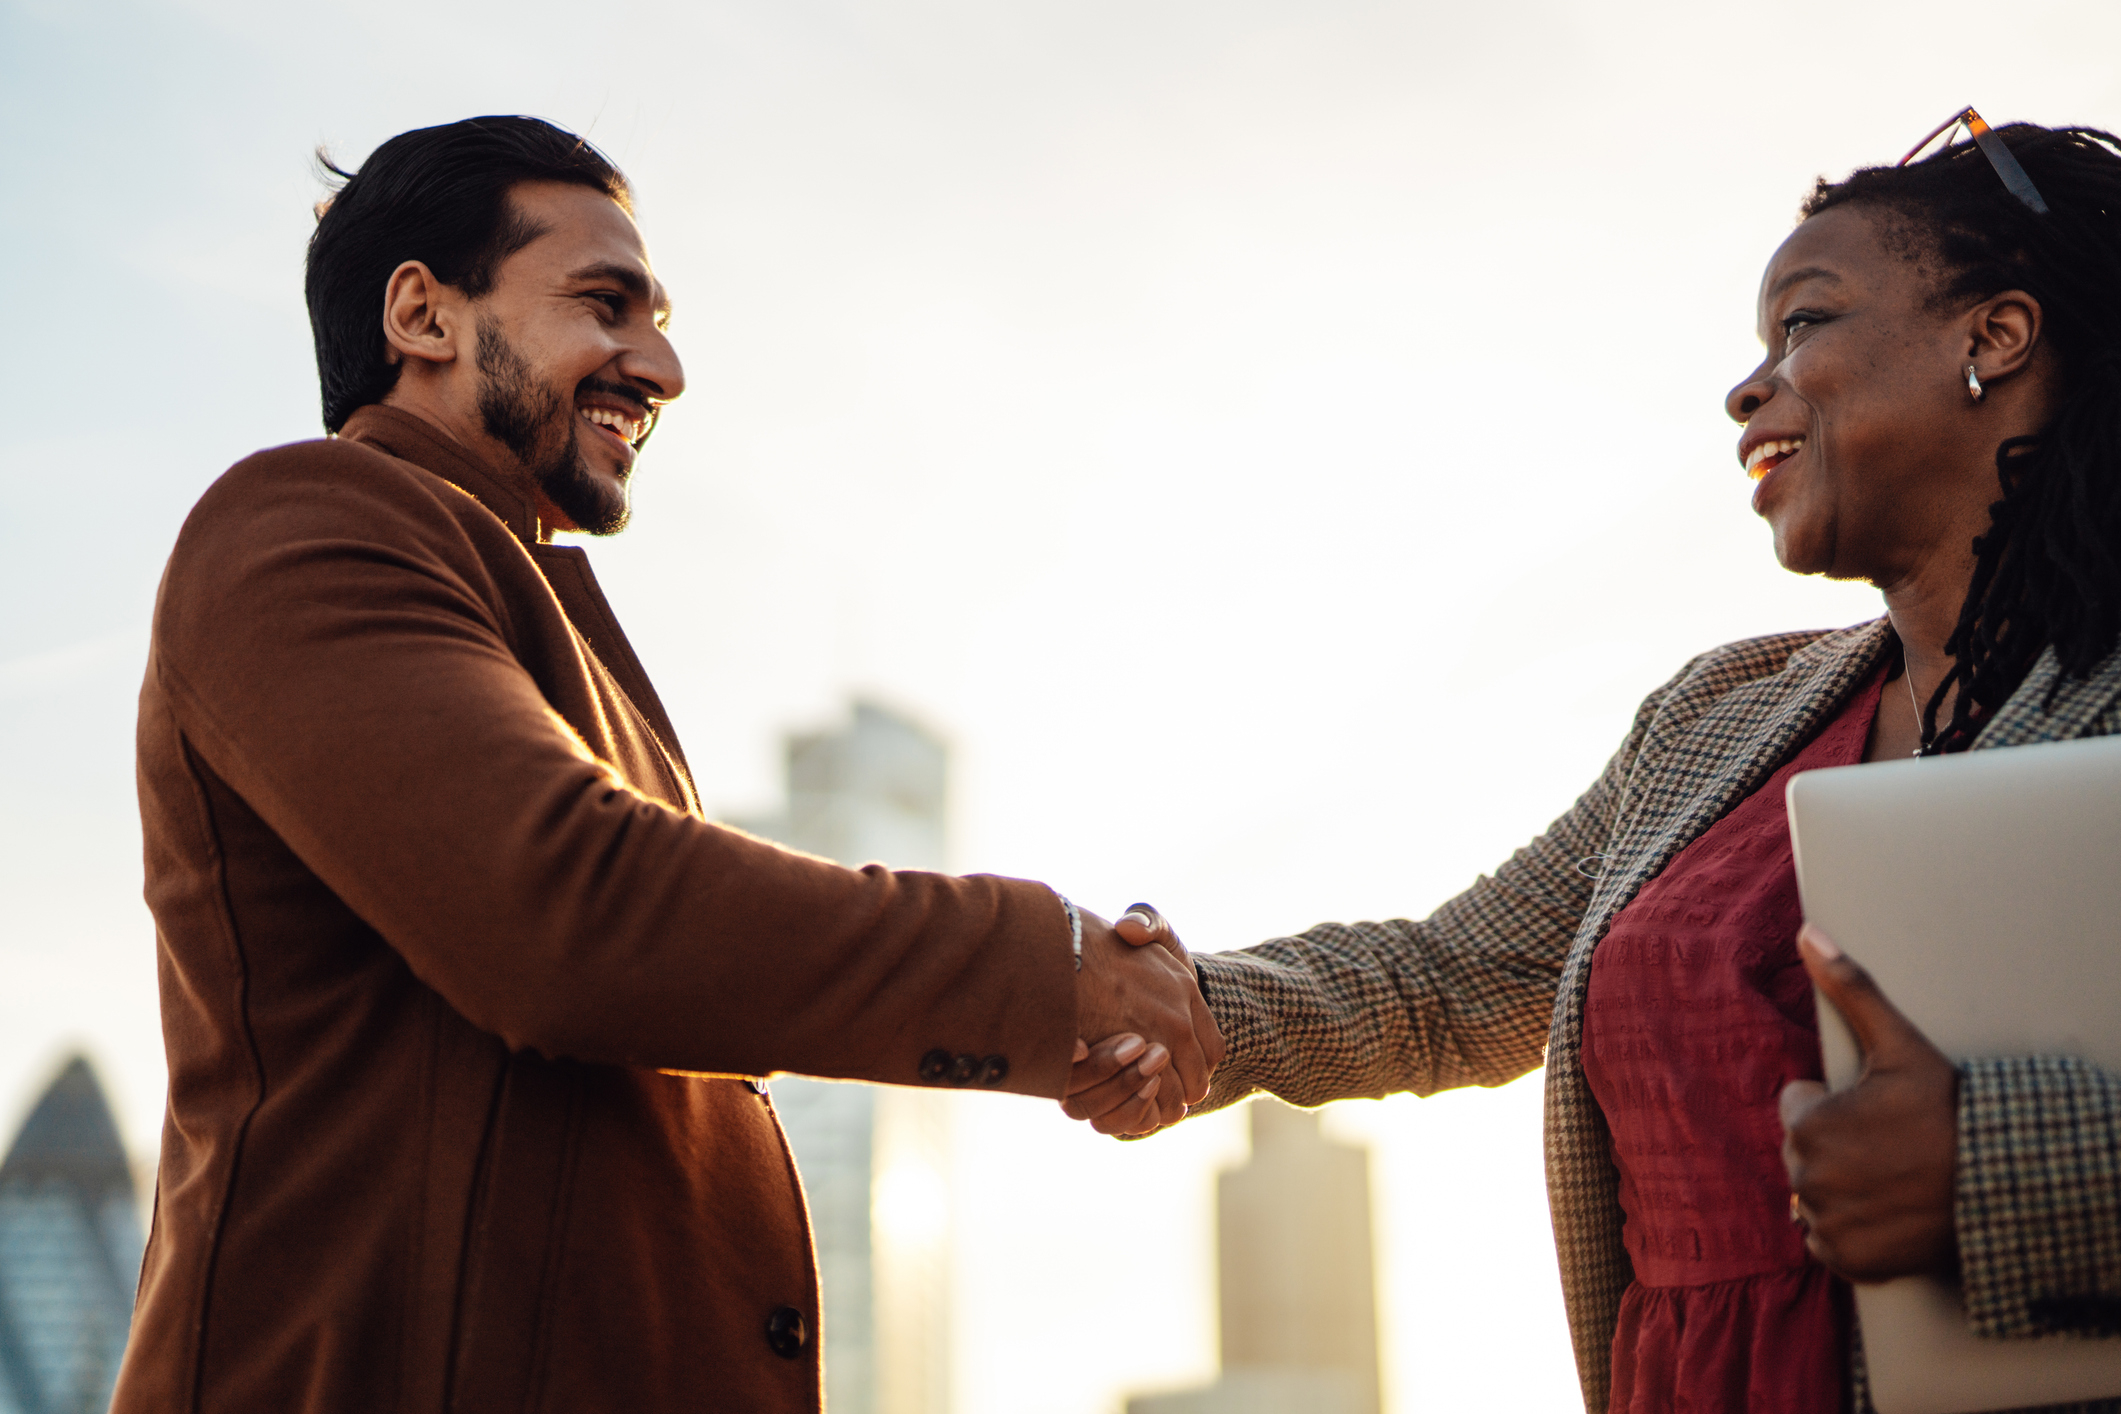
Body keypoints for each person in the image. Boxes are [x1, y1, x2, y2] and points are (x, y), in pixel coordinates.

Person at [116, 115, 1221, 1414]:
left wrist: (1104, 1003)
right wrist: (1052, 970)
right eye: (605, 303)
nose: (664, 365)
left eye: (659, 316)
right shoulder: (300, 525)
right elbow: (575, 912)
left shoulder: (529, 624)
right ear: (420, 313)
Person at [1064, 116, 2121, 1413]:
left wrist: (2000, 1166)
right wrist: (1189, 1006)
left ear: (1992, 335)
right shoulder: (1714, 715)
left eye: (1801, 323)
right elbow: (1449, 982)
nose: (1747, 388)